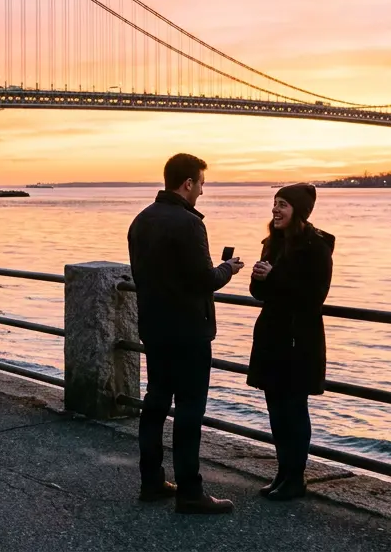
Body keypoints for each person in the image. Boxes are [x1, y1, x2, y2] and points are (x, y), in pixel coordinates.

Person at [128, 153, 243, 514]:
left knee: (156, 403)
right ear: (188, 183)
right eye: (201, 185)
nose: (202, 193)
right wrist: (228, 268)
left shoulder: (140, 221)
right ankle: (190, 492)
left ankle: (151, 481)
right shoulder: (189, 224)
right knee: (190, 410)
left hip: (154, 328)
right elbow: (203, 280)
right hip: (190, 332)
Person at [247, 183, 334, 501]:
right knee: (275, 408)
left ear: (299, 210)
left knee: (294, 408)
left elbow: (315, 297)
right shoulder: (272, 243)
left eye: (282, 204)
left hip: (300, 339)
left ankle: (296, 478)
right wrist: (259, 280)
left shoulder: (317, 247)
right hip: (272, 335)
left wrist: (275, 277)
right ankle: (282, 473)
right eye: (274, 203)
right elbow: (261, 294)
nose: (275, 210)